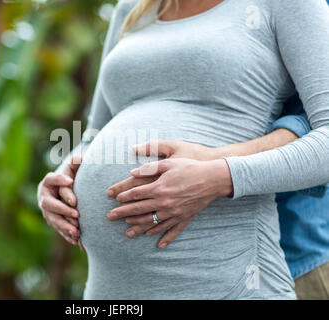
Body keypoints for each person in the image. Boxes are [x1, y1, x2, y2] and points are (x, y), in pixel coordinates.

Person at [38, 0, 329, 299]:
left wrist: (219, 176)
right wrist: (62, 177)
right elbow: (94, 133)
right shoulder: (131, 10)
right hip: (108, 290)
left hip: (227, 281)